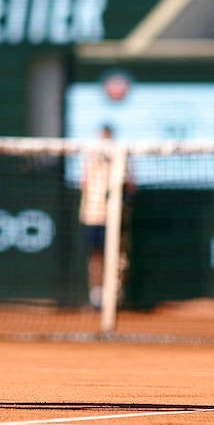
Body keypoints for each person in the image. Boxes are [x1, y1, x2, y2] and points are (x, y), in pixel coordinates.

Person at [79, 124, 134, 310]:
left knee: (118, 257)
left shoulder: (122, 155)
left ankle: (116, 296)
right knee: (95, 256)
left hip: (114, 216)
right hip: (92, 215)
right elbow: (84, 183)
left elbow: (131, 185)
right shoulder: (90, 155)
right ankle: (97, 298)